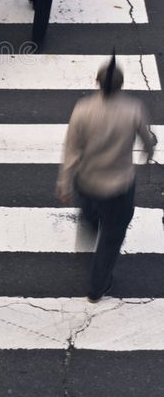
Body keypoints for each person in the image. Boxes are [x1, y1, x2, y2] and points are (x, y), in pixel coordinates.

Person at [57, 55, 157, 303]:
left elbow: (72, 149)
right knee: (112, 238)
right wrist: (149, 149)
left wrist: (64, 181)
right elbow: (146, 138)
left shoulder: (83, 110)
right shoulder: (133, 109)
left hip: (87, 180)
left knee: (90, 213)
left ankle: (89, 235)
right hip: (119, 186)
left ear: (97, 83)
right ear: (121, 85)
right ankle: (97, 287)